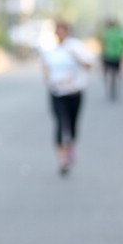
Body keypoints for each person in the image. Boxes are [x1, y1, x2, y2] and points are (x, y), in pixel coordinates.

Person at [40, 21, 93, 175]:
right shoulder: (50, 50)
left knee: (72, 125)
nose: (60, 34)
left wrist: (76, 58)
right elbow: (45, 68)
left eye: (63, 31)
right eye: (58, 31)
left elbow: (89, 65)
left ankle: (70, 147)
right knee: (60, 123)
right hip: (57, 93)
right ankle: (61, 159)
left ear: (67, 32)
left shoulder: (76, 47)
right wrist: (48, 81)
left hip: (74, 92)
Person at [101, 19, 123, 100]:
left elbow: (103, 44)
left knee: (109, 73)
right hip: (117, 55)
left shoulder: (107, 33)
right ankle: (115, 87)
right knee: (116, 73)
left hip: (108, 55)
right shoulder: (119, 33)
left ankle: (111, 87)